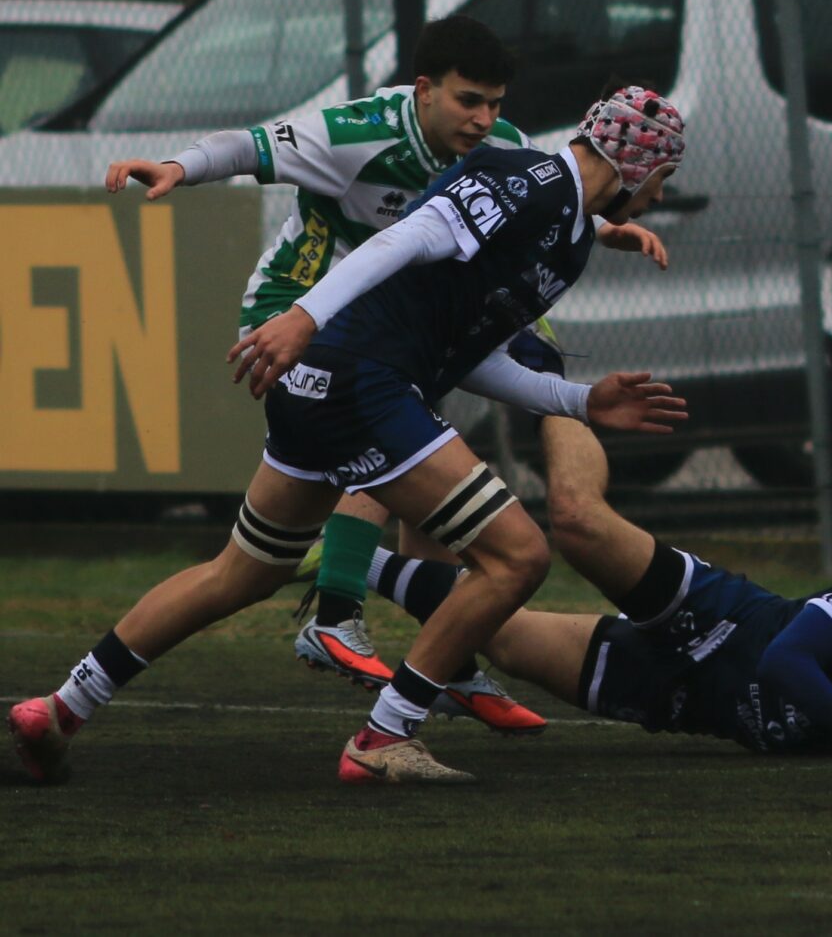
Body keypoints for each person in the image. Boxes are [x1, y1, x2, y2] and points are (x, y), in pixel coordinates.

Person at [8, 86, 690, 785]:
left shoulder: (570, 233)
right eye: (662, 177)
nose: (660, 197)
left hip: (332, 380)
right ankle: (383, 734)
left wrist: (581, 401)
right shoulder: (532, 183)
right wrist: (305, 316)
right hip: (360, 377)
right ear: (635, 164)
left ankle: (60, 708)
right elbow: (406, 237)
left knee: (242, 572)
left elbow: (475, 357)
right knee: (517, 557)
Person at [358, 526, 832, 756]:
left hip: (691, 699)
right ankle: (549, 380)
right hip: (727, 618)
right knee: (580, 524)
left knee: (504, 638)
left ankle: (354, 561)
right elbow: (785, 658)